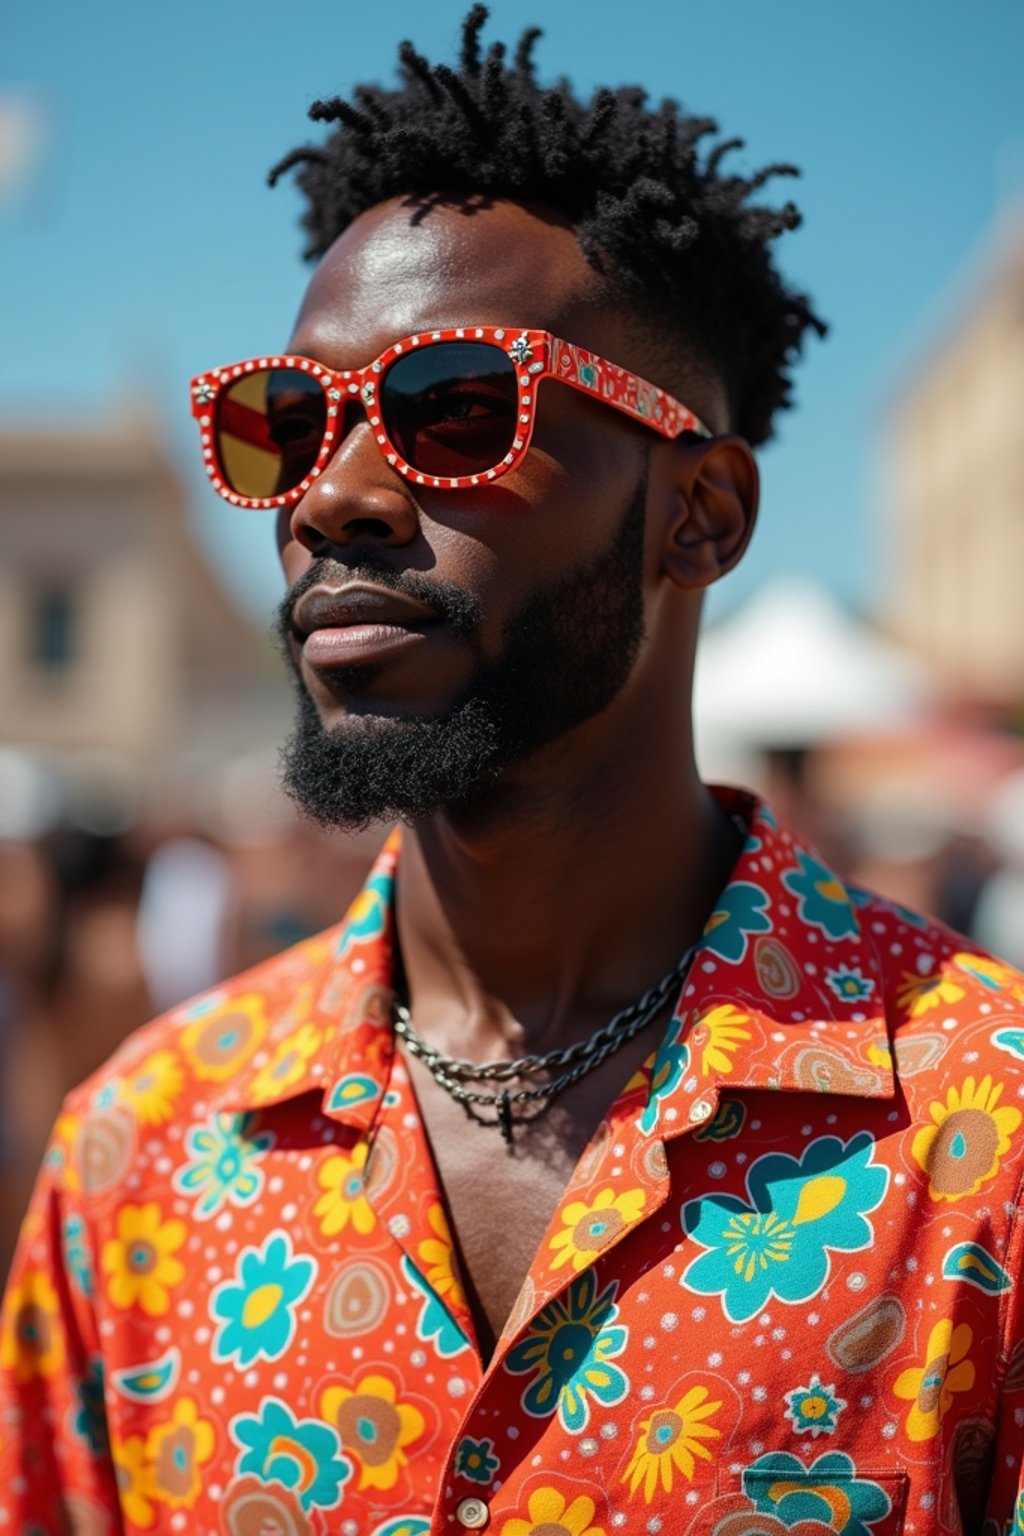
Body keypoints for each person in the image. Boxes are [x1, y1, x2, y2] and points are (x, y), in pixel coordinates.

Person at [3, 11, 1024, 1534]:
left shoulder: (982, 1140)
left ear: (702, 515)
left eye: (458, 408)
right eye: (284, 425)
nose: (335, 497)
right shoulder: (142, 1154)